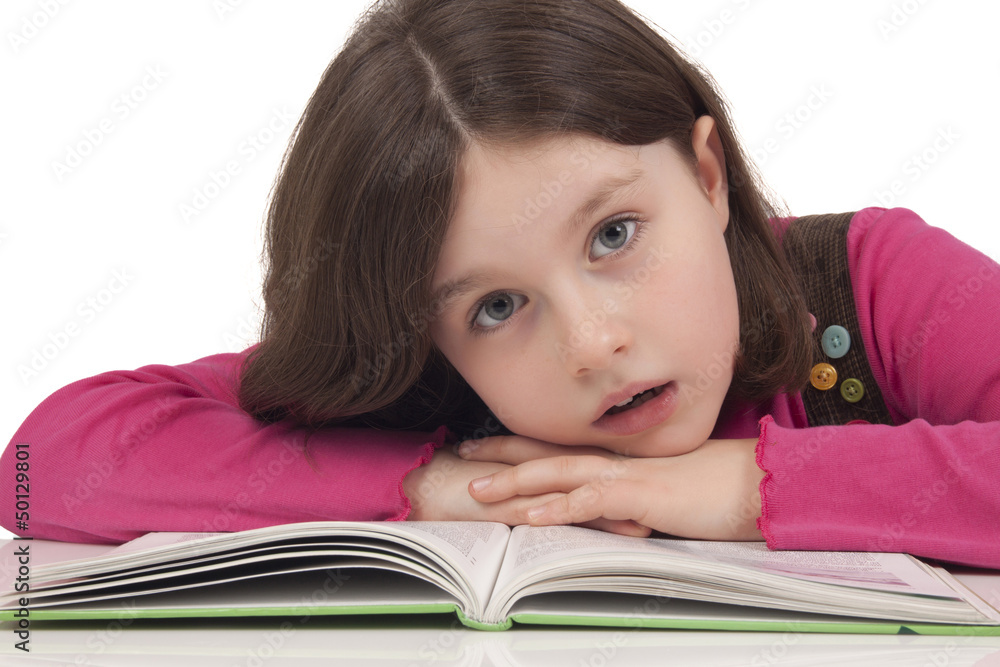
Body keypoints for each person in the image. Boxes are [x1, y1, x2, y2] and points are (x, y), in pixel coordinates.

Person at [2, 0, 997, 569]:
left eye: (614, 234)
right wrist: (447, 488)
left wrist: (732, 487)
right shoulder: (441, 395)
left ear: (705, 173)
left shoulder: (870, 281)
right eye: (495, 306)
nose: (592, 343)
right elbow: (41, 463)